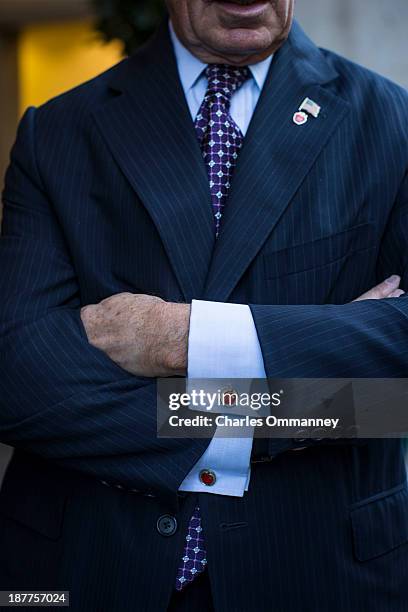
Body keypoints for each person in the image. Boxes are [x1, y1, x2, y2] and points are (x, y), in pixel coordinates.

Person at [0, 1, 407, 610]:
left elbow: (396, 388)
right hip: (90, 568)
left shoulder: (392, 121)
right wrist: (298, 398)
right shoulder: (56, 133)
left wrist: (184, 337)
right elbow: (17, 378)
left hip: (321, 572)